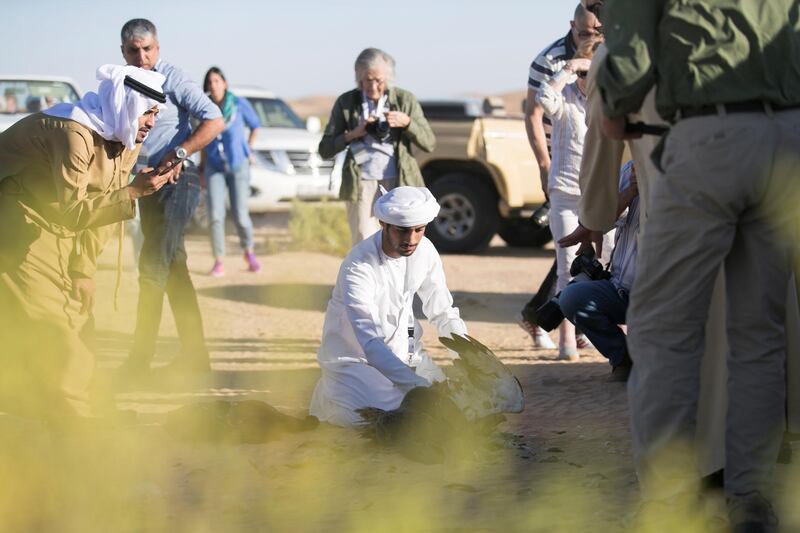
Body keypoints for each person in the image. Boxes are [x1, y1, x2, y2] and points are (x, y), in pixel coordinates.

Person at [597, 1, 800, 530]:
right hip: (786, 135)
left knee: (664, 334)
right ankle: (753, 499)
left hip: (710, 134)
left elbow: (630, 57)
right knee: (760, 334)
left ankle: (667, 503)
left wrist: (615, 102)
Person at [0, 64, 170, 418]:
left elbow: (104, 207)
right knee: (51, 316)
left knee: (77, 311)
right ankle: (70, 421)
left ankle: (81, 408)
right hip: (16, 214)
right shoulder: (74, 133)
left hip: (51, 217)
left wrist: (83, 268)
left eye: (156, 114)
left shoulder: (126, 137)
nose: (151, 123)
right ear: (127, 105)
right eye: (148, 113)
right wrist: (135, 192)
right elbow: (74, 212)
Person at [117, 18, 224, 378]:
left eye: (147, 49)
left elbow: (214, 119)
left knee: (151, 268)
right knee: (174, 272)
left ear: (157, 49)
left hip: (178, 182)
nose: (141, 56)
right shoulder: (121, 84)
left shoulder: (173, 78)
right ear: (123, 53)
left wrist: (179, 153)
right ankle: (197, 360)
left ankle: (137, 363)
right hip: (144, 187)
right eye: (134, 50)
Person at [309, 186, 467, 427]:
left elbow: (443, 311)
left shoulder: (425, 251)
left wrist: (467, 356)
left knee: (460, 407)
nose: (411, 239)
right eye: (403, 231)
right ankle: (334, 399)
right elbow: (370, 342)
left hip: (408, 353)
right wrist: (420, 390)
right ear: (383, 224)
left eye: (419, 230)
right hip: (356, 362)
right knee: (378, 421)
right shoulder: (358, 266)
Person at [519, 3, 602, 350]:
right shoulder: (549, 59)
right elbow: (534, 113)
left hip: (596, 164)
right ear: (572, 26)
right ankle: (546, 318)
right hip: (562, 162)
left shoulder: (607, 50)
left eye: (600, 30)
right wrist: (544, 165)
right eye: (586, 31)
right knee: (566, 248)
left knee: (587, 252)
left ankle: (553, 318)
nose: (594, 35)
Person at [535, 35, 614, 361]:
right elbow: (542, 97)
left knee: (611, 261)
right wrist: (570, 68)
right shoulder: (563, 98)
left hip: (602, 191)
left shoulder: (607, 100)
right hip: (566, 193)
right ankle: (567, 339)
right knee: (568, 266)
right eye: (583, 74)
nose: (586, 80)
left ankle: (610, 336)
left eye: (591, 73)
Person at [319, 48, 435, 245]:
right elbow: (325, 149)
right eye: (366, 80)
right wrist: (353, 134)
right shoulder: (347, 102)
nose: (372, 87)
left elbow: (429, 143)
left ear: (389, 78)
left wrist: (407, 123)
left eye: (378, 80)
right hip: (360, 182)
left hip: (399, 180)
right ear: (358, 78)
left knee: (401, 240)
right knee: (364, 240)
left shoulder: (404, 100)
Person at [558, 161, 638, 382]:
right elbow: (600, 218)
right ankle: (622, 357)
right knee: (572, 297)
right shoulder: (629, 169)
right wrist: (632, 191)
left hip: (665, 296)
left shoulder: (686, 168)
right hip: (623, 289)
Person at [201, 66, 261, 277]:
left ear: (225, 83)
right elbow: (202, 138)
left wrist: (248, 148)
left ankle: (249, 252)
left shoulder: (238, 104)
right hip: (214, 166)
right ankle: (218, 260)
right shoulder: (204, 107)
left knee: (240, 214)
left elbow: (256, 125)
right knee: (216, 215)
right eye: (210, 82)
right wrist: (201, 168)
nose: (213, 85)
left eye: (217, 81)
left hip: (238, 165)